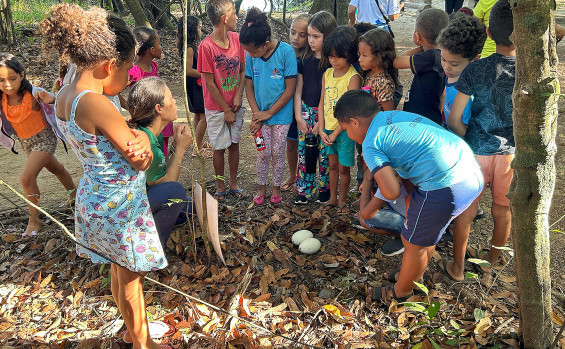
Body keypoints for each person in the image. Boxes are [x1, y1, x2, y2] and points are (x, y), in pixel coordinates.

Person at [41, 4, 170, 348]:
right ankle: (143, 344)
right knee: (131, 282)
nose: (129, 78)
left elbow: (115, 140)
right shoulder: (94, 102)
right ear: (109, 65)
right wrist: (145, 135)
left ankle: (132, 330)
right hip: (119, 205)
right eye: (127, 69)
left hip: (95, 196)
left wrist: (131, 133)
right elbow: (140, 158)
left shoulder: (67, 93)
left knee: (119, 273)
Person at [335, 90, 483, 302]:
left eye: (346, 129)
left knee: (413, 243)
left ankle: (402, 292)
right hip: (470, 171)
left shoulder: (370, 142)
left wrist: (368, 183)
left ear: (354, 122)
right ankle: (412, 276)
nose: (348, 135)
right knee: (421, 237)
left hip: (445, 185)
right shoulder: (392, 116)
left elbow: (391, 191)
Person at [446, 0, 515, 279]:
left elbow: (454, 118)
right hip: (510, 154)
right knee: (502, 209)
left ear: (488, 33)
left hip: (476, 151)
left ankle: (458, 267)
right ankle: (489, 266)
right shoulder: (528, 73)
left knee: (467, 209)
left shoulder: (475, 70)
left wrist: (470, 137)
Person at [0, 53, 76, 238]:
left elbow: (59, 103)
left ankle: (35, 221)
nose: (7, 84)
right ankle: (74, 195)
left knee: (26, 178)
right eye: (1, 80)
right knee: (56, 168)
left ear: (22, 76)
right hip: (26, 143)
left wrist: (51, 100)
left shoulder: (33, 94)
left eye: (12, 78)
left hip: (44, 139)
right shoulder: (2, 99)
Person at [239, 8, 297, 205]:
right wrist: (257, 114)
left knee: (278, 152)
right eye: (247, 51)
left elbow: (289, 89)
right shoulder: (251, 56)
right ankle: (261, 189)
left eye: (253, 51)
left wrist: (269, 113)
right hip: (260, 116)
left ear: (265, 43)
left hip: (281, 116)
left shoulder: (286, 52)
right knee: (262, 152)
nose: (250, 55)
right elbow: (248, 85)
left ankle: (276, 189)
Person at [128, 77, 194, 248]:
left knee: (193, 209)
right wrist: (180, 149)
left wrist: (173, 148)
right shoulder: (147, 144)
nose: (174, 102)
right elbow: (166, 184)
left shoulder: (151, 133)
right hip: (132, 207)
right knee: (176, 192)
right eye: (171, 98)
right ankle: (151, 247)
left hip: (140, 200)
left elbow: (162, 170)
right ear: (159, 109)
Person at [198, 0, 246, 202]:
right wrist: (225, 109)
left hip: (235, 105)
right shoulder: (206, 47)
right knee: (219, 146)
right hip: (216, 108)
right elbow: (209, 83)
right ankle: (220, 184)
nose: (237, 17)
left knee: (234, 144)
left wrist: (237, 95)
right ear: (225, 19)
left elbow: (243, 70)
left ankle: (233, 182)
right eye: (234, 13)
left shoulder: (237, 39)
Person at [293, 11, 336, 205]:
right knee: (304, 152)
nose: (310, 40)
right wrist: (299, 117)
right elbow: (298, 91)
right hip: (305, 112)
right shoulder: (303, 61)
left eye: (315, 36)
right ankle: (304, 189)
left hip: (326, 115)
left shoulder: (333, 64)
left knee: (325, 154)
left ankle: (324, 189)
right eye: (309, 35)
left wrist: (322, 120)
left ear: (328, 36)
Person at [318, 26, 362, 214]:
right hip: (327, 130)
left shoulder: (353, 77)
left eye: (338, 56)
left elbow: (352, 110)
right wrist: (321, 128)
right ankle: (332, 198)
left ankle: (343, 199)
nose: (333, 60)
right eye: (330, 56)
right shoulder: (327, 74)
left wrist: (336, 132)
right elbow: (321, 102)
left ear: (349, 55)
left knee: (344, 168)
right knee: (332, 166)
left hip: (344, 132)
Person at [393, 8, 449, 126]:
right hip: (430, 116)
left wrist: (420, 47)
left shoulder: (430, 57)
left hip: (420, 119)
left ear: (418, 37)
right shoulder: (439, 55)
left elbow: (397, 62)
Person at [129, 27, 173, 156]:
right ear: (152, 50)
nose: (161, 48)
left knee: (163, 151)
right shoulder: (133, 71)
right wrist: (130, 107)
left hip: (161, 116)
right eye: (159, 44)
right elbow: (117, 91)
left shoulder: (154, 66)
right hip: (148, 122)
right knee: (153, 153)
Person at [281, 14, 309, 193]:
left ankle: (303, 177)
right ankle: (292, 175)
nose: (295, 38)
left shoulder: (309, 58)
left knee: (305, 146)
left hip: (305, 109)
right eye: (292, 33)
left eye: (302, 35)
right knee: (290, 144)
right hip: (287, 108)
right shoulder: (285, 54)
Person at [177, 16, 212, 158]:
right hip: (195, 85)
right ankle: (197, 149)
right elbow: (188, 69)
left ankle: (199, 142)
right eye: (198, 27)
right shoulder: (190, 48)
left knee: (198, 114)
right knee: (205, 116)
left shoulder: (188, 45)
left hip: (195, 85)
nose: (200, 29)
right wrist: (205, 75)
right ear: (193, 29)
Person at [356, 181, 408, 257]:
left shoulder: (388, 181)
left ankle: (405, 237)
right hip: (406, 214)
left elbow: (366, 214)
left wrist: (367, 182)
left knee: (364, 220)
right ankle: (405, 235)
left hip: (411, 223)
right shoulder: (393, 176)